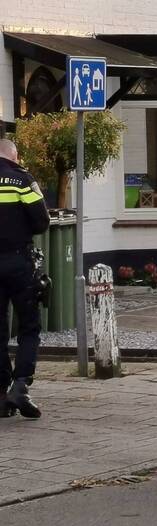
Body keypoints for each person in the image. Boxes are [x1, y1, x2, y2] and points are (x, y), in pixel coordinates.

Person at [0, 138, 49, 418]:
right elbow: (41, 222)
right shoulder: (21, 180)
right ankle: (20, 386)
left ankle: (1, 393)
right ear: (14, 156)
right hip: (19, 261)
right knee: (29, 326)